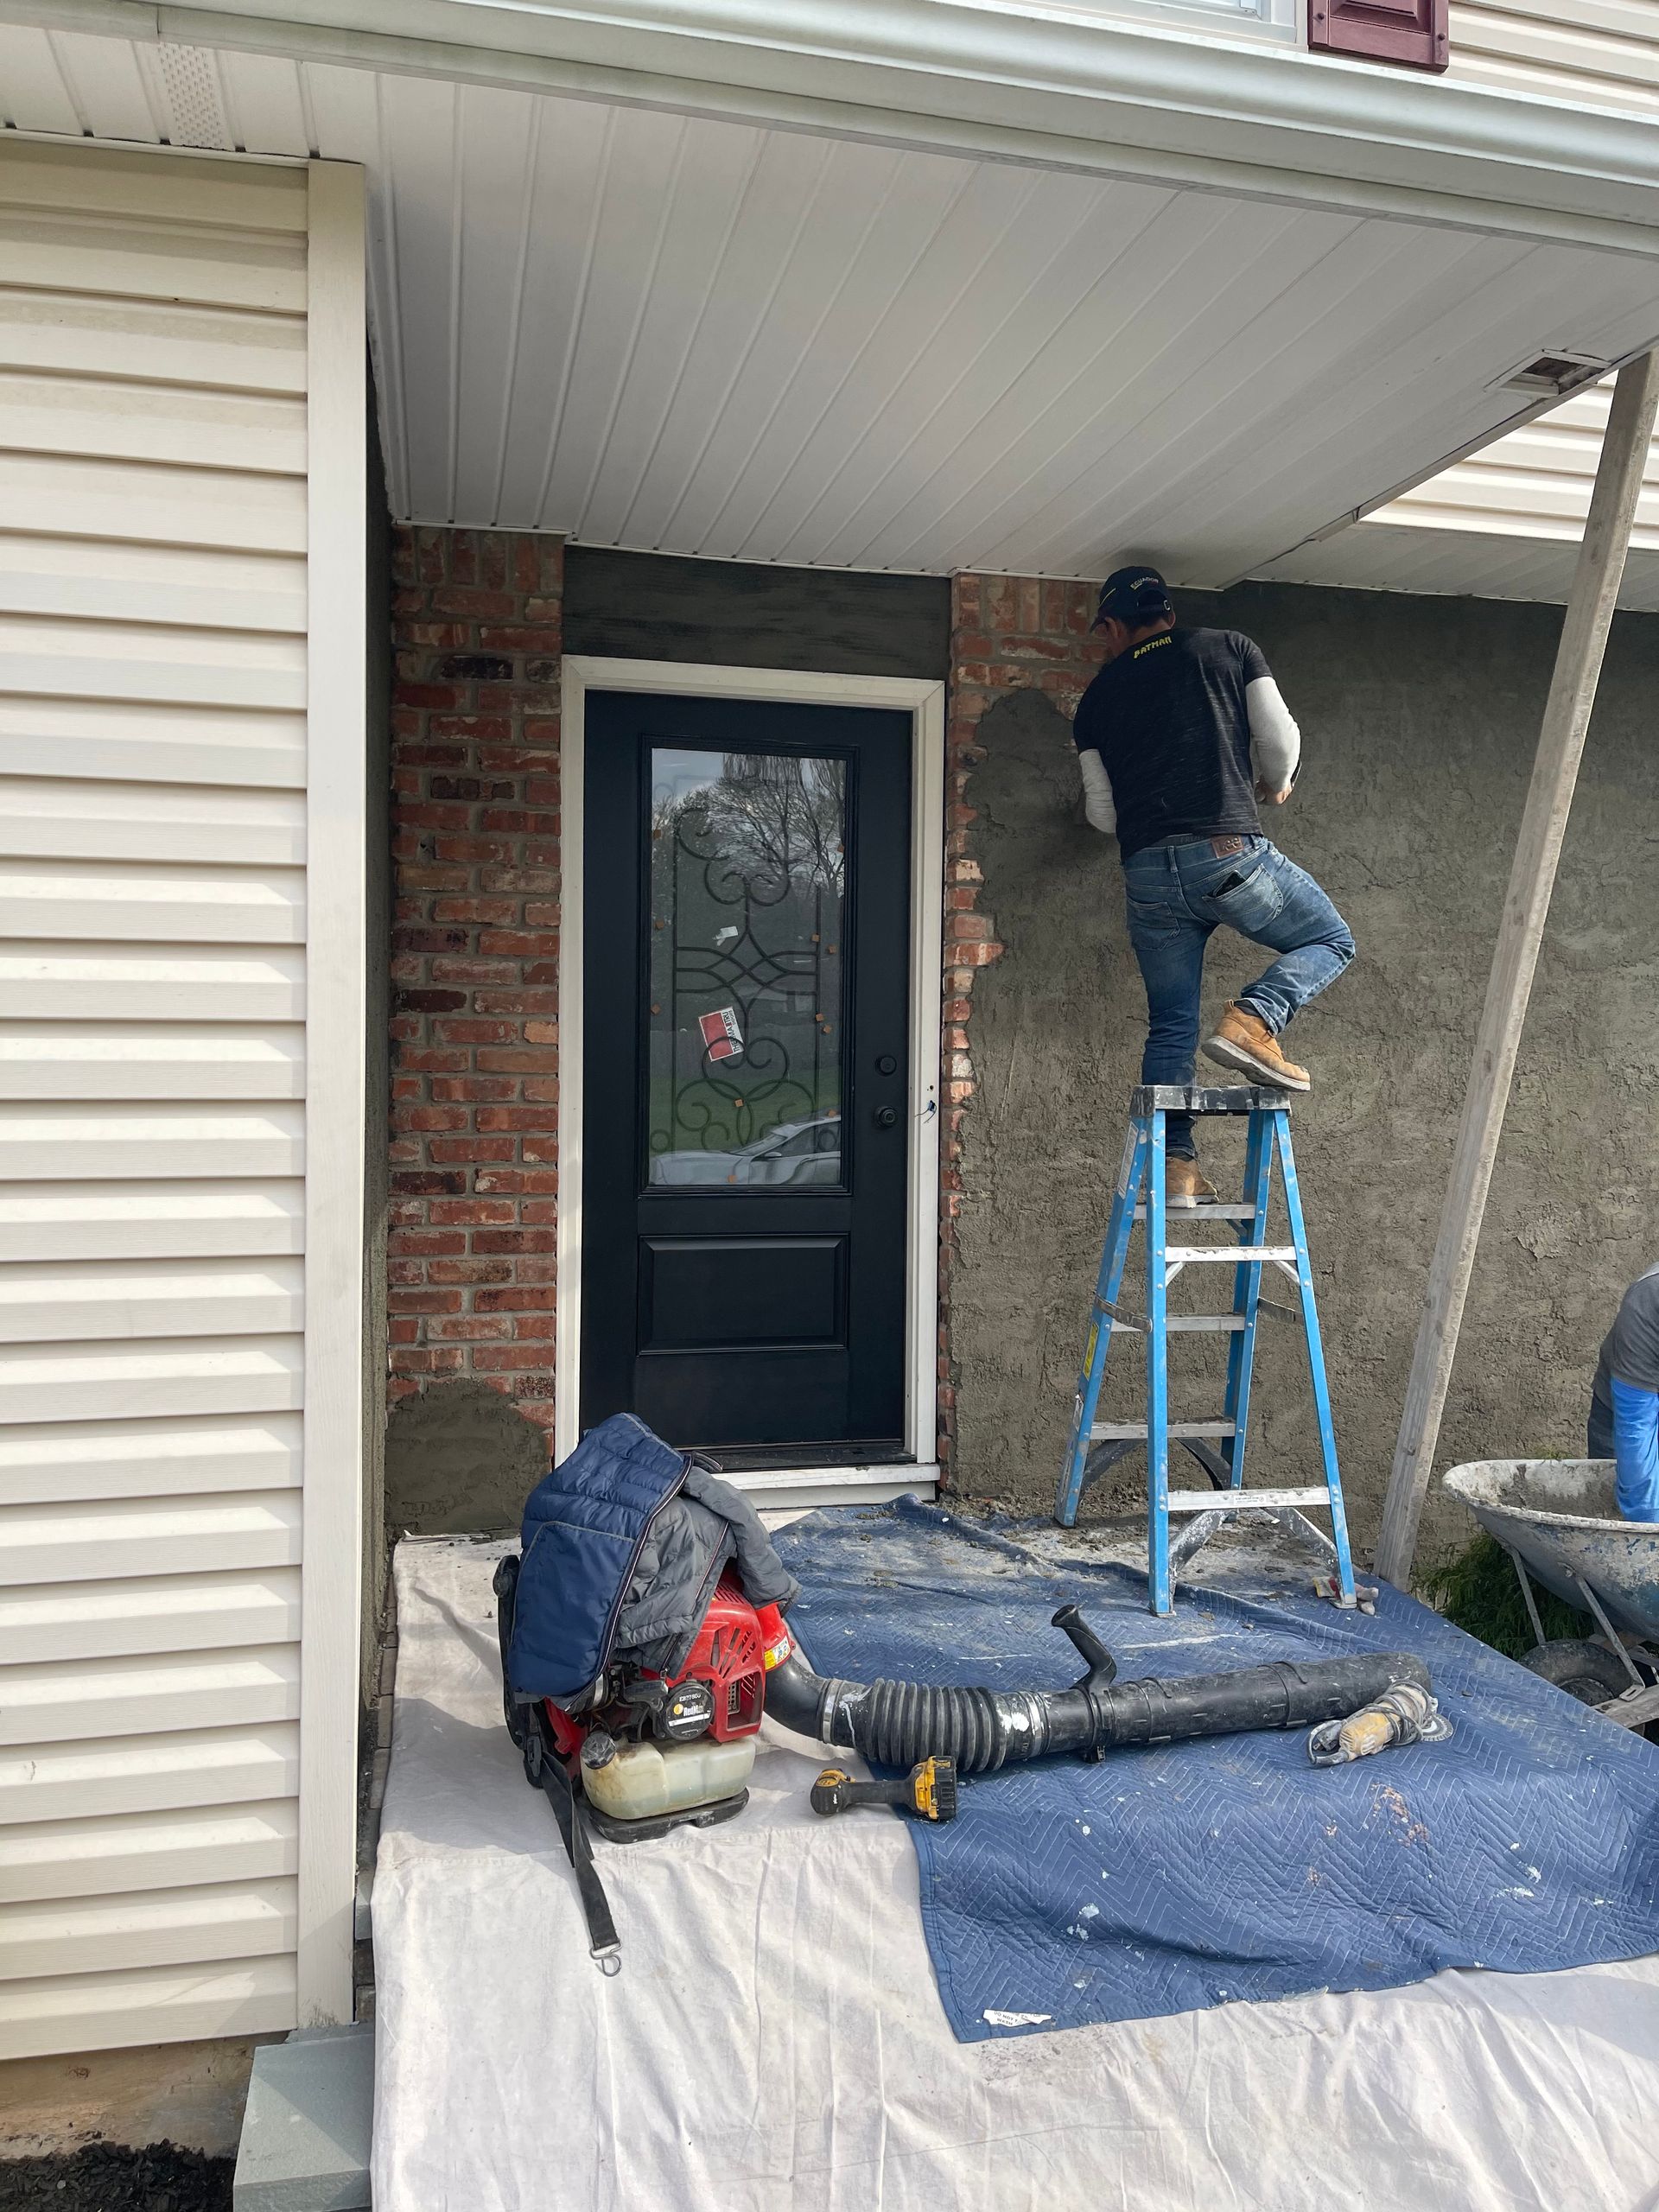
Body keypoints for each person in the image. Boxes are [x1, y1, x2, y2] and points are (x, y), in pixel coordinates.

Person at [1074, 563, 1355, 1205]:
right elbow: (1279, 737)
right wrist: (1277, 781)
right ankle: (1254, 1019)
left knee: (1170, 1025)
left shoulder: (1095, 699)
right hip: (1225, 854)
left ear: (1114, 625)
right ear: (1166, 612)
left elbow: (1103, 816)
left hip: (1146, 871)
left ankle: (1174, 1173)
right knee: (1330, 939)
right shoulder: (1227, 648)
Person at [1588, 1266, 1659, 1521]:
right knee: (1621, 1511)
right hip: (1632, 1408)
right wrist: (1648, 1530)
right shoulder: (1650, 1300)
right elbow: (1635, 1424)